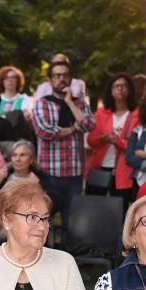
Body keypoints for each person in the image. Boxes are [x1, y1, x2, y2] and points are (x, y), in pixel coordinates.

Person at [32, 60, 95, 232]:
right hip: (49, 174)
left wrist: (69, 102)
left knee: (73, 222)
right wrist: (74, 128)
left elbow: (89, 125)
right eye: (57, 76)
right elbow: (45, 132)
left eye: (65, 75)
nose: (61, 79)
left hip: (74, 173)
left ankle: (71, 256)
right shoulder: (42, 103)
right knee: (42, 221)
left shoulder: (79, 103)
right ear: (50, 80)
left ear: (70, 79)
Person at [86, 74, 139, 206]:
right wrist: (102, 139)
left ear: (130, 90)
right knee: (93, 207)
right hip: (100, 167)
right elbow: (91, 140)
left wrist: (116, 141)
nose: (120, 89)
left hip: (124, 171)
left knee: (119, 210)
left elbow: (137, 144)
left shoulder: (137, 114)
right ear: (111, 91)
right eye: (116, 86)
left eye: (124, 86)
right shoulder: (101, 113)